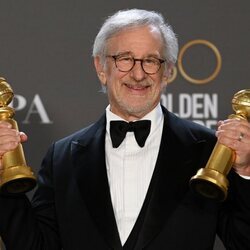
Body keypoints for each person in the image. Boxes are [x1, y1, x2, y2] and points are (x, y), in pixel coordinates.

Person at [0, 8, 250, 250]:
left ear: (167, 72)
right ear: (101, 68)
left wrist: (246, 172)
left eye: (151, 61)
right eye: (125, 59)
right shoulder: (62, 156)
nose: (138, 74)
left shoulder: (209, 150)